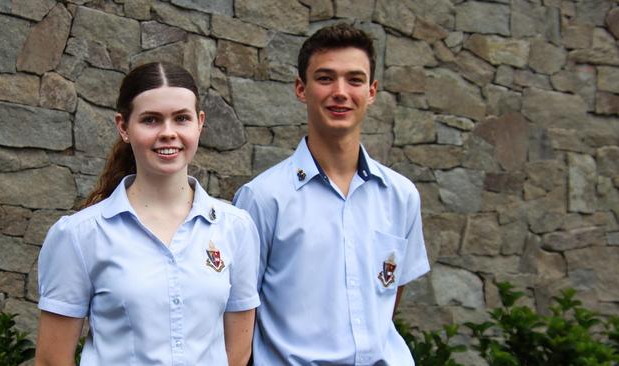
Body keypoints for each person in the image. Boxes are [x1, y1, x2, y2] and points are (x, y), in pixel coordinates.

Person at [35, 62, 260, 366]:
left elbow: (237, 353)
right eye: (151, 120)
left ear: (199, 123)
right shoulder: (78, 235)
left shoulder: (236, 228)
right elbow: (52, 360)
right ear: (123, 127)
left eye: (181, 118)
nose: (168, 133)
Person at [233, 23, 430, 365]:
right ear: (301, 89)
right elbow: (240, 313)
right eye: (325, 78)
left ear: (371, 91)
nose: (340, 91)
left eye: (354, 80)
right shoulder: (263, 198)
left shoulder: (401, 195)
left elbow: (388, 297)